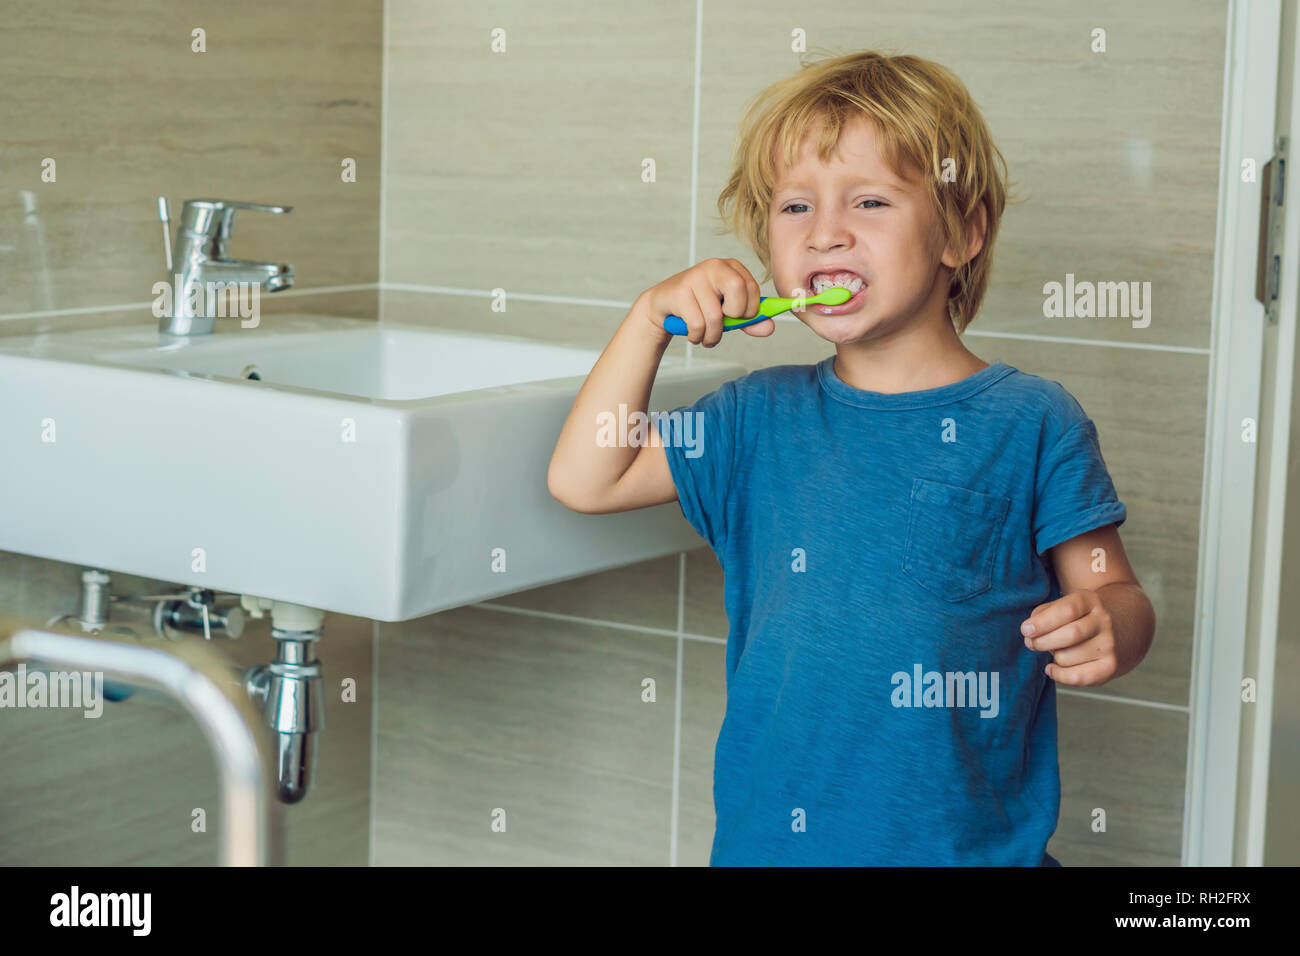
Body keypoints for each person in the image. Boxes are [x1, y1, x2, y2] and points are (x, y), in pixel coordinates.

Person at [547, 50, 1156, 866]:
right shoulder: (753, 418)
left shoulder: (1033, 422)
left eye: (869, 200)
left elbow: (1111, 585)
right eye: (795, 205)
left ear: (962, 234)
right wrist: (646, 320)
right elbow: (587, 477)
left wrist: (1110, 622)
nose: (826, 230)